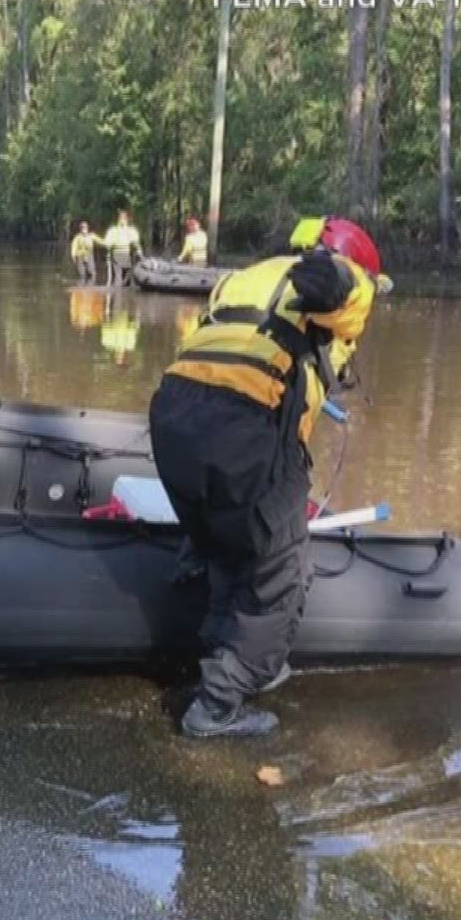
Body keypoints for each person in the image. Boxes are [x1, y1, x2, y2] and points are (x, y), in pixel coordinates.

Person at [148, 216, 384, 737]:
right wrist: (337, 276)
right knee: (282, 573)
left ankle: (224, 650)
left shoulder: (247, 277)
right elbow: (341, 288)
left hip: (172, 417)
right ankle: (219, 702)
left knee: (227, 546)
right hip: (242, 426)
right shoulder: (344, 278)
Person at [97, 209, 142, 287]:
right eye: (121, 218)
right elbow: (107, 243)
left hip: (127, 255)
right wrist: (103, 243)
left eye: (124, 218)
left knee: (128, 275)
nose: (122, 220)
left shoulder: (131, 230)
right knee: (118, 276)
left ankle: (124, 292)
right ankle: (118, 294)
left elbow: (136, 242)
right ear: (118, 219)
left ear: (127, 219)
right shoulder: (113, 230)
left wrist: (139, 252)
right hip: (117, 254)